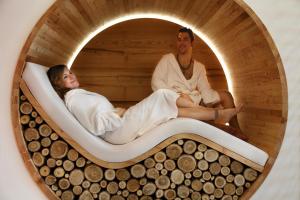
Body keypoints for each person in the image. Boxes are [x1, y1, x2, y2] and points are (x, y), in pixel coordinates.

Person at [47, 64, 242, 145]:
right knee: (162, 94)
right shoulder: (75, 98)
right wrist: (118, 115)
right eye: (66, 76)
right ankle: (216, 114)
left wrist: (118, 113)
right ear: (58, 84)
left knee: (175, 110)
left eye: (71, 72)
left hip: (119, 126)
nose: (72, 76)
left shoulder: (76, 95)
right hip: (117, 130)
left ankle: (217, 116)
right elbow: (98, 123)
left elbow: (97, 115)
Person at [151, 27, 247, 140]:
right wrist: (177, 96)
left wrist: (208, 101)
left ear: (192, 42)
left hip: (194, 99)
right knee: (201, 113)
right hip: (175, 100)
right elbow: (156, 81)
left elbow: (205, 89)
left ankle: (237, 131)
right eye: (179, 39)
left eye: (185, 39)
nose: (181, 42)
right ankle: (225, 128)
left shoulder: (199, 67)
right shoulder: (167, 60)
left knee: (226, 95)